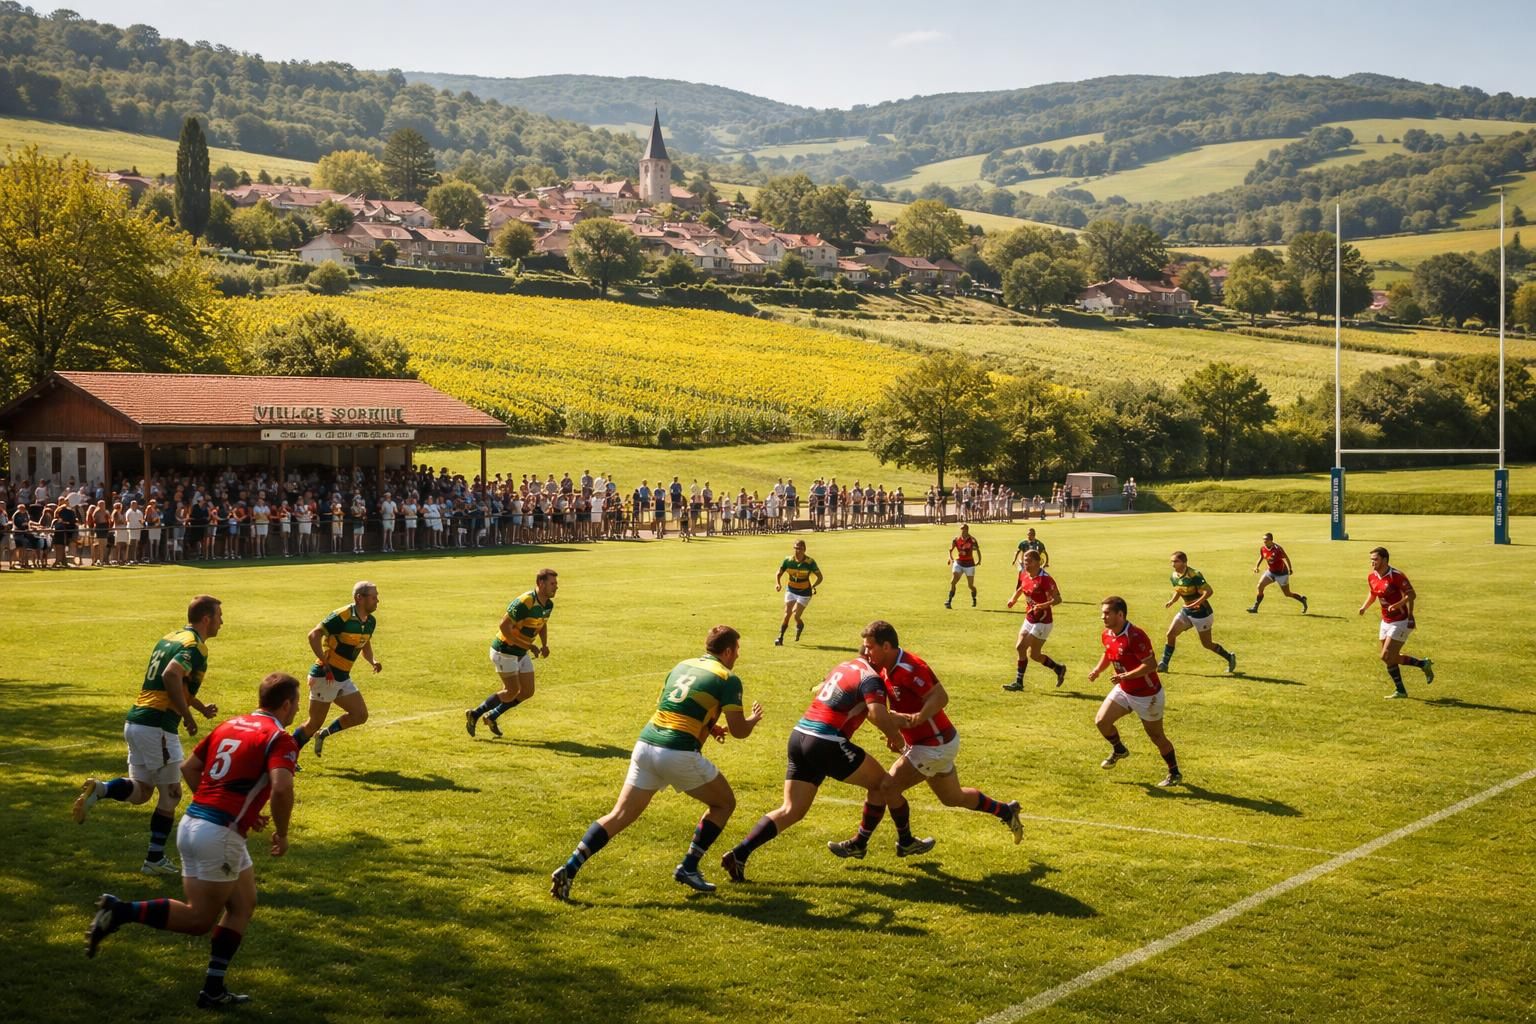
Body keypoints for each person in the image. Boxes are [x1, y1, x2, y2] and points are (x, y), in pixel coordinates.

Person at [86, 672, 300, 1009]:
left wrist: (223, 804)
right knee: (200, 919)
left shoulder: (230, 725)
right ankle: (120, 911)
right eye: (296, 704)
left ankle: (213, 990)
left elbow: (188, 768)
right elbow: (283, 787)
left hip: (194, 823)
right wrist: (283, 834)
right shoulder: (279, 737)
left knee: (243, 905)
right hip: (220, 835)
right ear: (287, 704)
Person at [551, 626, 763, 900]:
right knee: (724, 803)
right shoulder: (728, 678)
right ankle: (689, 867)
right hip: (677, 752)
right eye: (737, 650)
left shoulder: (682, 665)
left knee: (619, 815)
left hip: (646, 745)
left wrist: (710, 726)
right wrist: (753, 721)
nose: (738, 656)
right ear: (727, 651)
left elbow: (677, 706)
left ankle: (570, 868)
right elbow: (740, 731)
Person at [719, 644, 927, 882]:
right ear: (876, 657)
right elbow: (877, 714)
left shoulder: (843, 666)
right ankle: (902, 841)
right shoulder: (871, 677)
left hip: (799, 736)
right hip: (824, 740)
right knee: (883, 784)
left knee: (791, 810)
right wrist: (901, 743)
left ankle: (739, 854)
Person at [828, 620, 1023, 856]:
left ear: (887, 646)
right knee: (953, 797)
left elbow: (940, 697)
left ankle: (870, 843)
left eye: (870, 647)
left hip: (935, 744)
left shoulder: (910, 668)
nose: (866, 652)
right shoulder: (883, 667)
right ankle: (1006, 811)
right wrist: (896, 732)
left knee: (885, 786)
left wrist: (918, 717)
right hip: (932, 744)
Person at [72, 596, 224, 874]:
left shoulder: (172, 637)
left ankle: (101, 789)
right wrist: (187, 717)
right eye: (219, 616)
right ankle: (154, 860)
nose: (222, 622)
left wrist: (199, 708)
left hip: (136, 721)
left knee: (141, 792)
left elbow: (174, 684)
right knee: (173, 793)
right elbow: (170, 676)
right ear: (206, 619)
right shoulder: (195, 647)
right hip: (158, 727)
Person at [1088, 596, 1183, 788]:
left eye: (1107, 613)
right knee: (1102, 721)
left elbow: (1151, 665)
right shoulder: (1107, 634)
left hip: (1147, 695)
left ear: (1120, 614)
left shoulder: (1136, 636)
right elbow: (1108, 652)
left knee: (1156, 736)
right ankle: (1119, 749)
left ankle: (1174, 772)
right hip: (1125, 689)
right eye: (1102, 613)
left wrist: (1124, 676)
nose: (1103, 617)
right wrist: (1098, 670)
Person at [292, 581, 382, 758]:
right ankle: (287, 756)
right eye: (373, 597)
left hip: (342, 677)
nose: (377, 600)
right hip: (326, 676)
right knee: (313, 723)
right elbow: (313, 635)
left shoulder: (370, 621)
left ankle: (323, 734)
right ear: (359, 598)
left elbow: (365, 642)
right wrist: (325, 663)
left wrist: (372, 660)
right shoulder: (342, 616)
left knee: (360, 714)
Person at [466, 568, 558, 738]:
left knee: (527, 691)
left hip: (520, 652)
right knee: (511, 691)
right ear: (540, 583)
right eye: (552, 583)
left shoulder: (548, 604)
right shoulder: (525, 602)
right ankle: (475, 713)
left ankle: (492, 716)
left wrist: (544, 644)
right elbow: (503, 626)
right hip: (504, 650)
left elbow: (542, 624)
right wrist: (529, 646)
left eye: (556, 584)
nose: (556, 587)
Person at [1359, 547, 1434, 699]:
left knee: (1385, 655)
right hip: (1385, 620)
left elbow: (1412, 595)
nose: (1372, 562)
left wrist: (1398, 604)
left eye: (1376, 559)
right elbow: (1373, 593)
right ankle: (1418, 669)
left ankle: (1403, 687)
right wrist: (1364, 607)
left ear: (1385, 560)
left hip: (1400, 621)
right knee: (1390, 658)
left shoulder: (1396, 576)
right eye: (1371, 559)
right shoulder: (1372, 577)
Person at [1159, 551, 1236, 675]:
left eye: (1176, 561)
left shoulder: (1194, 574)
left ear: (1184, 562)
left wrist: (1196, 603)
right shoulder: (1174, 576)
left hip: (1202, 613)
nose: (1172, 564)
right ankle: (1164, 663)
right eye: (1171, 561)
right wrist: (1172, 600)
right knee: (1170, 634)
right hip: (1186, 611)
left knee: (1207, 644)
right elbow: (1178, 590)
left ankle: (1229, 657)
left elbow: (1209, 591)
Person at [1004, 549, 1067, 691]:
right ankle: (1058, 668)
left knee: (1022, 647)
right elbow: (1022, 587)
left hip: (1043, 622)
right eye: (1025, 561)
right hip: (1030, 617)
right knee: (1033, 654)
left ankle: (1019, 683)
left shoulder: (1046, 579)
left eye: (1029, 561)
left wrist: (1042, 605)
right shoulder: (1024, 574)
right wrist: (1013, 599)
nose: (1026, 564)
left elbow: (1058, 600)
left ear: (1038, 562)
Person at [774, 540, 823, 646]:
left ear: (804, 550)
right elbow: (779, 573)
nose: (797, 551)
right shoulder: (788, 560)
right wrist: (778, 584)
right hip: (791, 590)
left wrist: (813, 586)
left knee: (796, 616)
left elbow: (820, 577)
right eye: (795, 548)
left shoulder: (810, 562)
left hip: (804, 592)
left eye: (800, 548)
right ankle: (780, 637)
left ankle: (799, 627)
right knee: (787, 614)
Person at [1249, 532, 1307, 614]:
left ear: (1271, 540)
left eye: (1266, 540)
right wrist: (1256, 566)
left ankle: (1302, 599)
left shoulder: (1278, 549)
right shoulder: (1263, 548)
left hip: (1282, 573)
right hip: (1271, 572)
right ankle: (1255, 607)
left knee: (1287, 593)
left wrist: (1290, 569)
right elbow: (1262, 556)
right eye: (1263, 540)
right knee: (1260, 586)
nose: (1264, 541)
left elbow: (1286, 558)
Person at [946, 523, 981, 609]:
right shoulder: (956, 540)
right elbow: (950, 550)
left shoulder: (972, 540)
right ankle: (949, 601)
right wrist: (951, 558)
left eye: (964, 529)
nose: (962, 530)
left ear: (967, 530)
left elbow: (977, 550)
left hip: (969, 564)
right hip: (959, 563)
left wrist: (979, 560)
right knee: (953, 581)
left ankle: (974, 598)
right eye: (961, 529)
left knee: (970, 585)